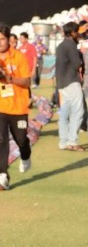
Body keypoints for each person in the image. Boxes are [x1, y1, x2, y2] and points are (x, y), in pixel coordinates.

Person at [0, 25, 32, 190]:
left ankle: (26, 157)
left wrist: (8, 78)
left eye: (2, 39)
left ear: (8, 39)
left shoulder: (18, 57)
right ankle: (3, 176)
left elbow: (26, 81)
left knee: (21, 140)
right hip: (0, 107)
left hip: (18, 107)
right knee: (1, 140)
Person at [55, 22, 86, 151]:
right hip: (72, 81)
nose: (78, 34)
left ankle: (63, 142)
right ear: (72, 32)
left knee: (64, 115)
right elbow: (76, 64)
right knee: (78, 112)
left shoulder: (60, 45)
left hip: (62, 83)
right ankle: (72, 141)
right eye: (77, 31)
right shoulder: (71, 45)